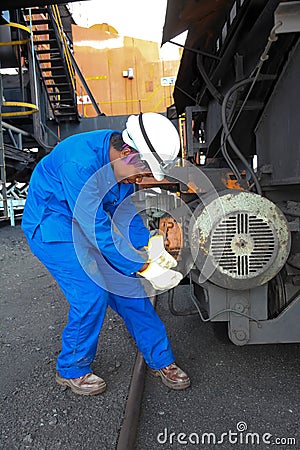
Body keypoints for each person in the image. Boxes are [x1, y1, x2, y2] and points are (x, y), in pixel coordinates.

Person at [22, 112, 190, 395]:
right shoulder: (79, 161)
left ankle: (161, 360)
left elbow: (125, 214)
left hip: (88, 225)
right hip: (54, 227)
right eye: (143, 172)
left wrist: (146, 246)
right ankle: (72, 368)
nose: (141, 179)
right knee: (91, 293)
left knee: (131, 292)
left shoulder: (123, 167)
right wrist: (141, 265)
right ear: (127, 153)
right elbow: (96, 226)